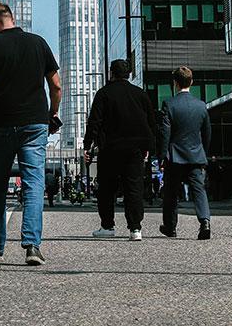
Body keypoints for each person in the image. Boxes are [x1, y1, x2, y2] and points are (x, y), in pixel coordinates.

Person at [0, 3, 62, 266]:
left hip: (1, 126)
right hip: (35, 124)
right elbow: (56, 85)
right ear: (12, 19)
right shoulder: (38, 43)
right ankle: (32, 246)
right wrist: (52, 114)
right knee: (34, 185)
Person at [82, 59, 155, 241]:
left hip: (110, 148)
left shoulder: (104, 94)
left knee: (106, 188)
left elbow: (94, 122)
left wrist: (87, 146)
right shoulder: (140, 94)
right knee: (134, 187)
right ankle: (135, 228)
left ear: (111, 73)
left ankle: (107, 225)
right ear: (129, 74)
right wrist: (149, 147)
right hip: (135, 149)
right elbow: (151, 123)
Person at [159, 66, 212, 241]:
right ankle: (204, 222)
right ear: (192, 82)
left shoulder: (169, 104)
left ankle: (170, 227)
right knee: (199, 190)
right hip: (196, 156)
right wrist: (203, 153)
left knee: (171, 193)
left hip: (175, 157)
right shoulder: (201, 105)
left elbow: (165, 133)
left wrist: (161, 156)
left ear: (175, 83)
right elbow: (207, 133)